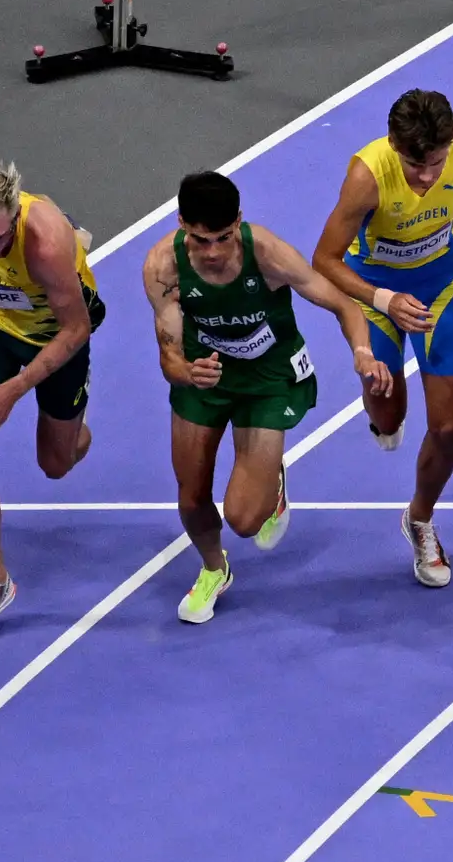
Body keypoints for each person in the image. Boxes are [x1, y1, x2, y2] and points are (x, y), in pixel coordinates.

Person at [146, 169, 384, 624]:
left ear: (239, 220)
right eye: (200, 240)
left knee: (244, 519)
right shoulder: (163, 269)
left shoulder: (269, 255)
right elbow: (168, 357)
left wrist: (361, 353)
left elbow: (343, 304)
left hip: (269, 378)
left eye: (222, 237)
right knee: (191, 495)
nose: (212, 252)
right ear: (181, 224)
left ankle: (271, 486)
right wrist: (187, 373)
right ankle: (215, 570)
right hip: (205, 376)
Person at [313, 88, 453, 592]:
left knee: (446, 430)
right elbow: (325, 261)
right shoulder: (368, 175)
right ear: (394, 145)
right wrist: (383, 300)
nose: (425, 178)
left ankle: (419, 520)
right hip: (374, 294)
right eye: (413, 166)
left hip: (440, 291)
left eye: (435, 164)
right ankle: (382, 417)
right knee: (388, 410)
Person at [0, 159, 103, 641]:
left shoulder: (46, 245)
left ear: (16, 218)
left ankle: (75, 426)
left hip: (56, 335)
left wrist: (15, 388)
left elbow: (78, 329)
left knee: (56, 464)